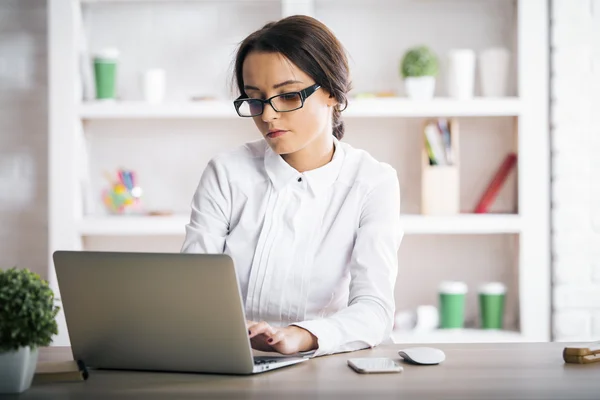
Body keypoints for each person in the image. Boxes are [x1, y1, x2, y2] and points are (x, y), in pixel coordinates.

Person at [181, 15, 402, 357]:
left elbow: (375, 309)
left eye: (286, 96)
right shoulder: (226, 173)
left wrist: (303, 335)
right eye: (255, 99)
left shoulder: (373, 182)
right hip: (230, 362)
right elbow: (191, 289)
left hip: (329, 367)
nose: (267, 115)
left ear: (331, 92)